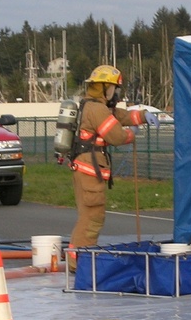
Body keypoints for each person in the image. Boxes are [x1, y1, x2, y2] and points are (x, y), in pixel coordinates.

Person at [67, 65, 158, 266]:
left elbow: (120, 116)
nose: (115, 93)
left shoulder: (94, 106)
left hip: (86, 170)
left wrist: (143, 116)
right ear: (104, 87)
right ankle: (80, 262)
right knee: (92, 218)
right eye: (114, 89)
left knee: (88, 217)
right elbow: (115, 135)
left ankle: (77, 259)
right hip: (90, 172)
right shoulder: (97, 109)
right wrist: (131, 135)